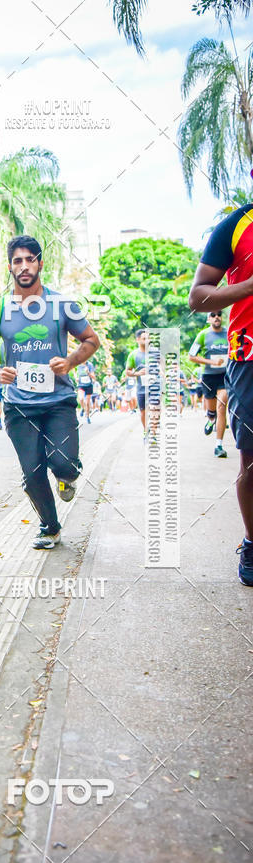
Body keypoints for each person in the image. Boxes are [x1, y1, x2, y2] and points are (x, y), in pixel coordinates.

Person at [0, 235, 100, 549]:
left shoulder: (62, 304)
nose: (24, 265)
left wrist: (70, 361)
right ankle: (50, 526)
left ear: (40, 264)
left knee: (64, 464)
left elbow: (91, 340)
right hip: (18, 405)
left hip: (58, 401)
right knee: (32, 474)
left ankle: (66, 474)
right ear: (10, 267)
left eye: (30, 259)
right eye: (17, 260)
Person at [189, 199, 253, 585]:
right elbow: (197, 297)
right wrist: (248, 286)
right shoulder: (237, 224)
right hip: (248, 356)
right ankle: (252, 541)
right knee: (251, 458)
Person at [188, 311, 229, 457]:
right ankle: (211, 419)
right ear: (208, 319)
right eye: (213, 314)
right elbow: (191, 357)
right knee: (212, 411)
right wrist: (212, 362)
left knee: (222, 406)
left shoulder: (229, 333)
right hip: (209, 376)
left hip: (225, 376)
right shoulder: (203, 335)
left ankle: (219, 446)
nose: (216, 317)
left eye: (219, 314)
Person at [125, 329, 161, 440]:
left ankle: (154, 434)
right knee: (143, 412)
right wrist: (137, 373)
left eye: (148, 338)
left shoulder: (155, 352)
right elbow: (127, 371)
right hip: (141, 388)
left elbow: (161, 365)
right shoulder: (133, 355)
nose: (147, 341)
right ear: (138, 340)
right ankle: (146, 431)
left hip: (155, 386)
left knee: (155, 408)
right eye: (144, 338)